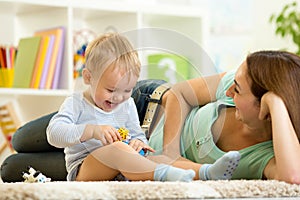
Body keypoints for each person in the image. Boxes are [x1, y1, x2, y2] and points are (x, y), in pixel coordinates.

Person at [46, 32, 240, 182]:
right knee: (118, 149)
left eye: (127, 90)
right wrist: (92, 130)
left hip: (122, 165)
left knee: (157, 158)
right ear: (88, 77)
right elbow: (54, 133)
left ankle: (207, 172)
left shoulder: (127, 103)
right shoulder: (76, 103)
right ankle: (163, 176)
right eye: (111, 89)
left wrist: (138, 143)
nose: (119, 98)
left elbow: (136, 134)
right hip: (84, 168)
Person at [148, 50, 300, 184]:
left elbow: (293, 177)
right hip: (147, 106)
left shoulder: (265, 156)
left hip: (143, 157)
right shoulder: (238, 81)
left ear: (264, 109)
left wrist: (276, 102)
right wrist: (170, 154)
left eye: (238, 90)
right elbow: (178, 93)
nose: (228, 91)